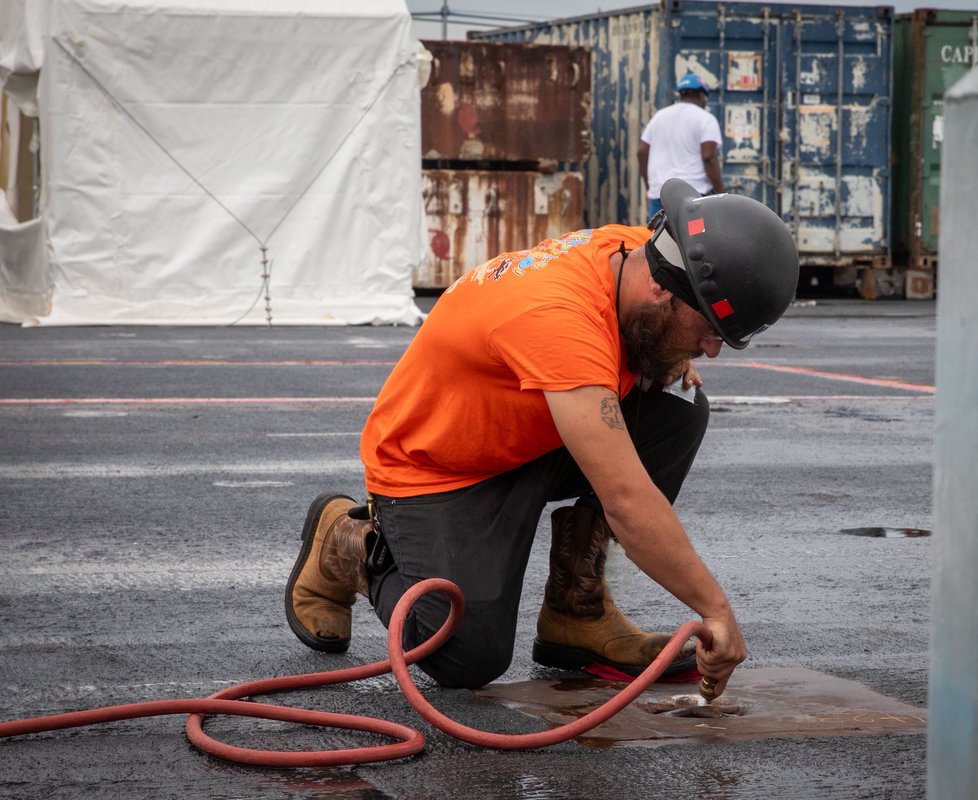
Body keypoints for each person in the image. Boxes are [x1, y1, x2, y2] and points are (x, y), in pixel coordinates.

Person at [284, 179, 799, 697]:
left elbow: (652, 335)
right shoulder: (558, 318)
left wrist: (670, 347)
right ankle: (347, 543)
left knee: (678, 403)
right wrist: (715, 609)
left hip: (519, 434)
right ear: (663, 291)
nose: (712, 350)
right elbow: (626, 501)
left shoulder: (639, 255)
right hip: (435, 468)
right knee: (466, 654)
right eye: (707, 330)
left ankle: (577, 612)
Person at [638, 73, 725, 222]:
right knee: (695, 236)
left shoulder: (659, 116)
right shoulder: (706, 119)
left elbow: (641, 152)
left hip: (660, 195)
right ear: (702, 96)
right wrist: (720, 192)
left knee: (658, 236)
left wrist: (649, 187)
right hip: (692, 197)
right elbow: (709, 156)